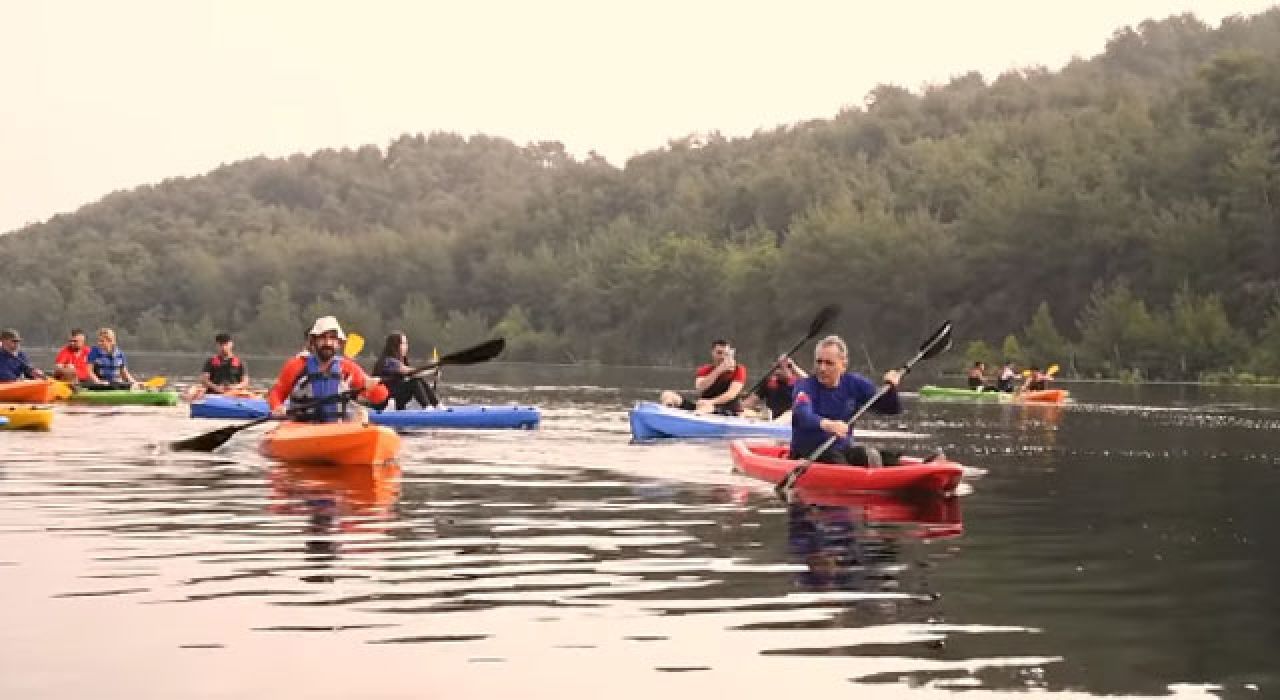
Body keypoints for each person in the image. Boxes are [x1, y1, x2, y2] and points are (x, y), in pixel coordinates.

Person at [790, 335, 937, 467]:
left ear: (843, 365)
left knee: (868, 454)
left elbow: (890, 409)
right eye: (819, 362)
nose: (822, 368)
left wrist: (892, 388)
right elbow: (802, 414)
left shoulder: (855, 384)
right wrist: (828, 424)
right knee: (834, 457)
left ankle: (917, 469)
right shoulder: (805, 386)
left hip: (843, 450)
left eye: (829, 363)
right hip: (809, 453)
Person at [267, 316, 388, 423]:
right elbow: (277, 392)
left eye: (332, 339)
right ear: (314, 341)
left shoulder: (348, 368)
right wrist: (277, 407)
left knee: (362, 415)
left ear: (339, 343)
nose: (328, 343)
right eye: (323, 338)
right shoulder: (296, 366)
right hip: (300, 427)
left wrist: (373, 387)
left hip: (335, 429)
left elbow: (380, 397)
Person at [659, 339, 747, 415]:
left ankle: (692, 421)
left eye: (726, 354)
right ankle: (667, 414)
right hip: (702, 406)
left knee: (705, 407)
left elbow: (731, 395)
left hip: (726, 409)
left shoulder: (739, 369)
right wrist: (718, 371)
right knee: (667, 394)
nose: (723, 357)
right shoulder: (704, 370)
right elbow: (700, 388)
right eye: (719, 353)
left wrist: (710, 402)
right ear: (713, 353)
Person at [370, 331, 440, 410]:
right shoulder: (388, 361)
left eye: (406, 343)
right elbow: (412, 373)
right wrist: (432, 370)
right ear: (395, 345)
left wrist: (431, 382)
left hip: (396, 397)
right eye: (404, 343)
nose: (407, 346)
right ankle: (428, 408)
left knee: (418, 380)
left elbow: (411, 376)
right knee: (415, 381)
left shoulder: (401, 361)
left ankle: (437, 405)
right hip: (383, 401)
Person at [742, 354, 807, 419]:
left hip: (790, 419)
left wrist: (793, 366)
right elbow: (751, 401)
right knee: (745, 412)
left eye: (779, 368)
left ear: (790, 368)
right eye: (775, 368)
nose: (776, 371)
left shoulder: (799, 382)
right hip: (771, 418)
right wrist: (739, 407)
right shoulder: (769, 382)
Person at [195, 333, 251, 397]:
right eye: (221, 345)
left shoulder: (240, 362)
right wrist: (216, 388)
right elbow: (204, 379)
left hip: (234, 394)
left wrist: (234, 387)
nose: (223, 347)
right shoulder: (211, 361)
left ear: (231, 344)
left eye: (226, 344)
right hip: (214, 394)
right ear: (217, 346)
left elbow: (245, 382)